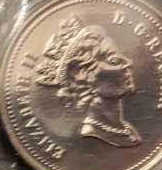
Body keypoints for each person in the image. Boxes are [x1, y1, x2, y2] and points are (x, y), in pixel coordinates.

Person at [35, 16, 142, 148]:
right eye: (113, 60)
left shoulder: (125, 128)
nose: (128, 63)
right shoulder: (93, 132)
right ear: (87, 77)